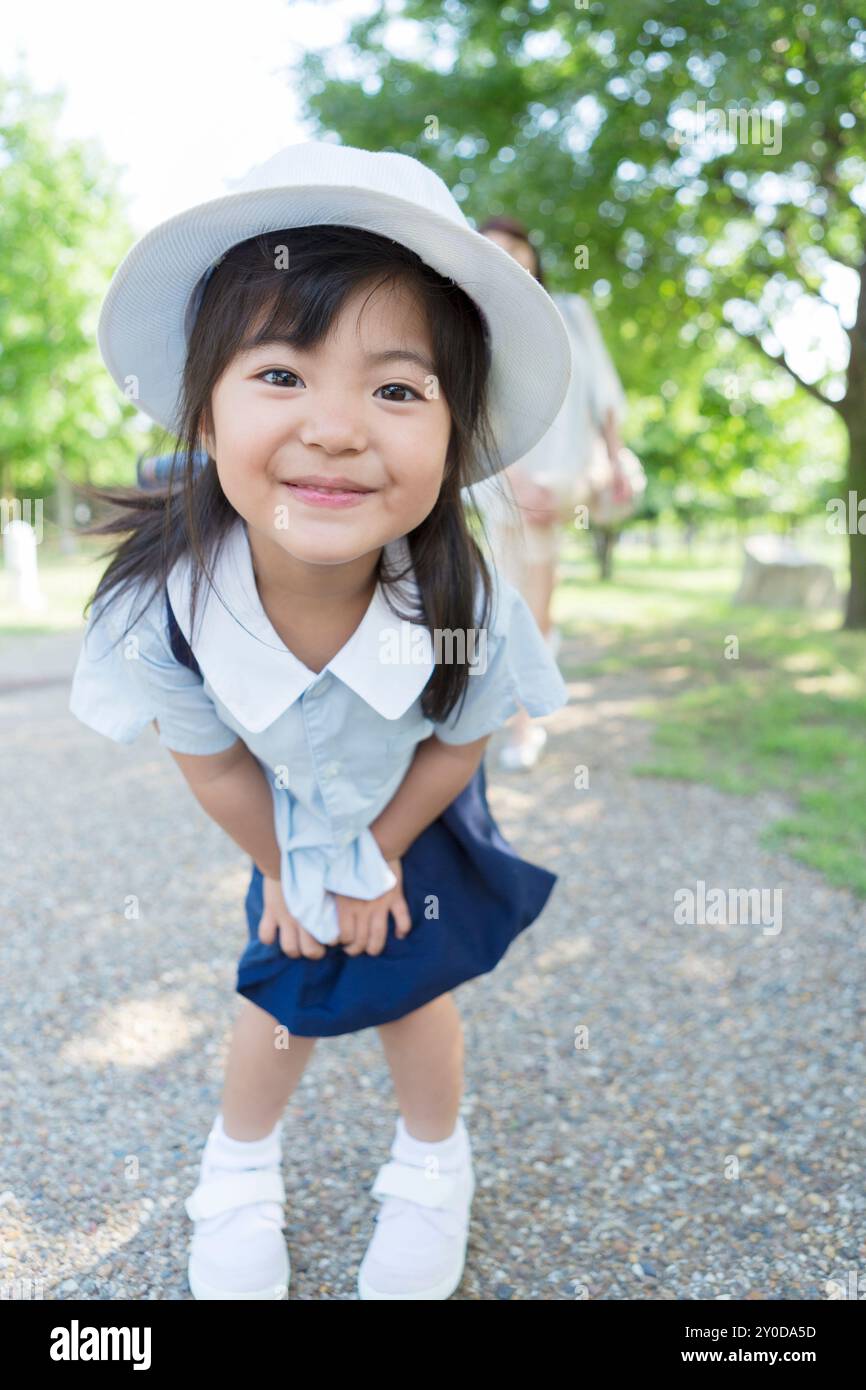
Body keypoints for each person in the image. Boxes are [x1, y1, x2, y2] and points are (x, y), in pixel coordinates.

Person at [67, 142, 571, 1302]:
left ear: (454, 436)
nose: (338, 427)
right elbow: (211, 762)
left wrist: (378, 852)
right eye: (281, 374)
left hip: (417, 787)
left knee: (409, 965)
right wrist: (297, 869)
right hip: (279, 800)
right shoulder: (167, 607)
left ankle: (432, 1159)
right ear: (203, 403)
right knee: (282, 969)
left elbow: (461, 736)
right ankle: (237, 1167)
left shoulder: (467, 596)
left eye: (397, 388)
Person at [471, 216, 630, 770]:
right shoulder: (479, 324)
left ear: (533, 254)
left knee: (536, 597)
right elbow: (476, 411)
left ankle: (522, 720)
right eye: (495, 250)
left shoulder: (572, 313)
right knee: (507, 597)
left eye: (517, 246)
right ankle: (513, 714)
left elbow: (604, 395)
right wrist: (514, 480)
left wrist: (615, 462)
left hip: (563, 475)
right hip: (503, 478)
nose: (510, 256)